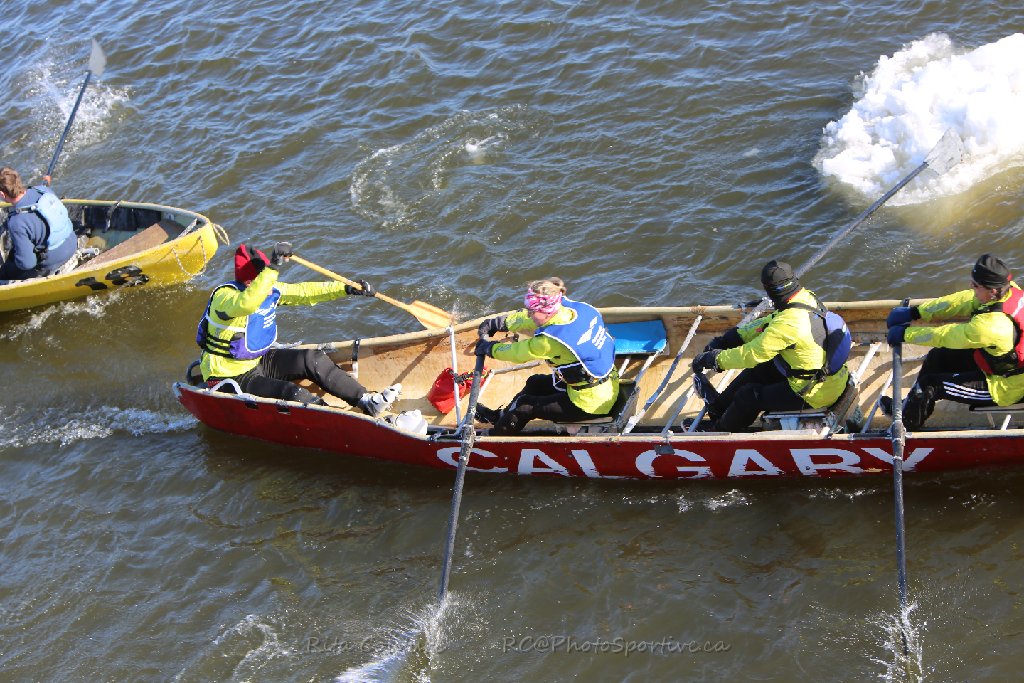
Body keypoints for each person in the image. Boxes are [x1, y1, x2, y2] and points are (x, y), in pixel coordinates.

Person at [195, 242, 400, 415]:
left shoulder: (269, 289)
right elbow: (247, 304)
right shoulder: (225, 297)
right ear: (251, 281)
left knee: (311, 358)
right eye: (265, 280)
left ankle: (367, 401)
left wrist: (346, 288)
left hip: (257, 361)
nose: (271, 288)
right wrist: (273, 267)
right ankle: (341, 420)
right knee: (293, 393)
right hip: (228, 376)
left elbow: (304, 292)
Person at [690, 259, 851, 431]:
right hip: (827, 377)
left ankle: (719, 430)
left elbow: (750, 354)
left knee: (749, 396)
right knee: (759, 370)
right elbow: (769, 322)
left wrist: (714, 359)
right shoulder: (806, 297)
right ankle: (719, 408)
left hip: (814, 392)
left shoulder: (789, 324)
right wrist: (730, 339)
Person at [884, 254, 1024, 429]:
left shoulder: (991, 327)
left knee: (930, 385)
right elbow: (963, 300)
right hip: (998, 360)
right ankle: (910, 406)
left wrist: (905, 334)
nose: (971, 286)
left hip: (1005, 387)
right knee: (937, 356)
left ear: (992, 290)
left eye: (975, 285)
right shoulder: (1009, 291)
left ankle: (906, 425)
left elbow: (945, 336)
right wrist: (916, 312)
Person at [473, 277, 619, 434]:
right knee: (535, 383)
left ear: (547, 311)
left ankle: (495, 437)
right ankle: (499, 417)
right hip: (606, 385)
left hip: (589, 403)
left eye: (532, 311)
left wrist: (490, 348)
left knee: (525, 406)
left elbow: (517, 353)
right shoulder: (575, 310)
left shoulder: (550, 341)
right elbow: (529, 319)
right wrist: (500, 323)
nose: (529, 314)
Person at [0, 166, 78, 281]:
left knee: (7, 270)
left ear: (2, 194)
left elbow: (27, 264)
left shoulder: (16, 222)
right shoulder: (42, 190)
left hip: (55, 259)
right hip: (72, 242)